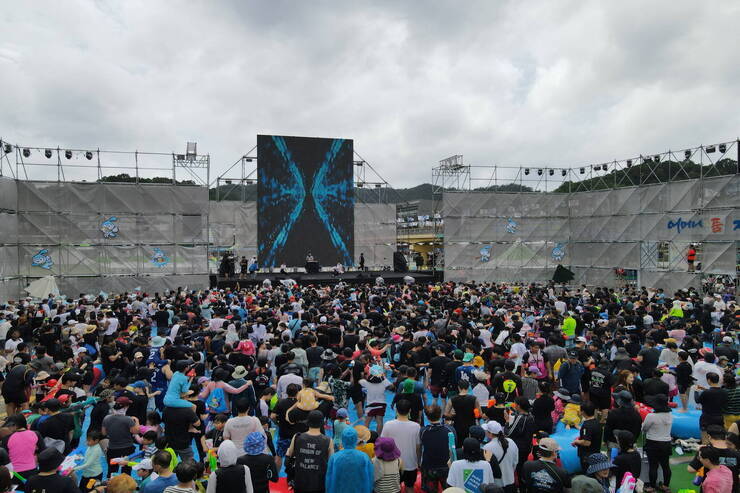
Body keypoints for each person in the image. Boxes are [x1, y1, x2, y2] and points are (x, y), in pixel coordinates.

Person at [286, 410, 333, 493]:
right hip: (319, 484)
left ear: (308, 422)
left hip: (300, 483)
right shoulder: (328, 441)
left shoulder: (297, 437)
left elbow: (288, 457)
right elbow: (331, 463)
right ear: (322, 423)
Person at [380, 399, 420, 492]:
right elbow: (418, 448)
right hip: (410, 464)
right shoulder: (416, 426)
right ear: (410, 410)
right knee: (410, 488)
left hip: (393, 464)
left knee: (393, 489)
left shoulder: (388, 425)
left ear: (396, 410)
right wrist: (418, 461)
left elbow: (382, 445)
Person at [687, 425, 740, 493]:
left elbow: (691, 469)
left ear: (709, 436)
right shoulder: (736, 454)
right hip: (732, 489)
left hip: (711, 487)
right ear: (725, 437)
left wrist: (699, 452)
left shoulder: (705, 451)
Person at [325, 427, 374, 493]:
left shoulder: (334, 457)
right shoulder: (364, 457)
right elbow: (370, 477)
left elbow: (329, 479)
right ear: (355, 439)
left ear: (342, 439)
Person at [419, 404, 454, 493]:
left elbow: (420, 447)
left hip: (429, 466)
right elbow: (452, 448)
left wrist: (419, 462)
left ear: (427, 417)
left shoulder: (423, 431)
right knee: (448, 490)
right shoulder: (450, 430)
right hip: (446, 466)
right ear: (440, 414)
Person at [641, 394, 673, 492]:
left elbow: (644, 428)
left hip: (653, 443)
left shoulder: (651, 416)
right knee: (666, 466)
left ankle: (652, 487)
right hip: (666, 443)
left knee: (653, 465)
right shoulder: (670, 415)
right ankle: (666, 485)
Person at [481, 421, 517, 493]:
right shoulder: (512, 442)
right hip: (511, 482)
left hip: (496, 486)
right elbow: (515, 462)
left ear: (490, 433)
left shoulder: (487, 448)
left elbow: (488, 467)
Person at [445, 380, 481, 447]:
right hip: (471, 427)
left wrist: (452, 415)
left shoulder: (452, 399)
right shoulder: (474, 399)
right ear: (468, 387)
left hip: (458, 427)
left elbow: (446, 414)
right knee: (471, 447)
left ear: (458, 387)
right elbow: (479, 414)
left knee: (459, 446)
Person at [696, 372, 728, 443]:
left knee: (705, 439)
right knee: (719, 439)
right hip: (719, 418)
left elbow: (697, 400)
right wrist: (705, 389)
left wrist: (696, 391)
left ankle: (705, 451)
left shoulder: (706, 393)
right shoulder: (724, 392)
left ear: (709, 380)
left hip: (706, 418)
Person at [573, 402, 601, 473]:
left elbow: (586, 442)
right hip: (596, 452)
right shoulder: (597, 422)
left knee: (588, 472)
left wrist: (576, 441)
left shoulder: (587, 425)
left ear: (583, 412)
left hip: (587, 456)